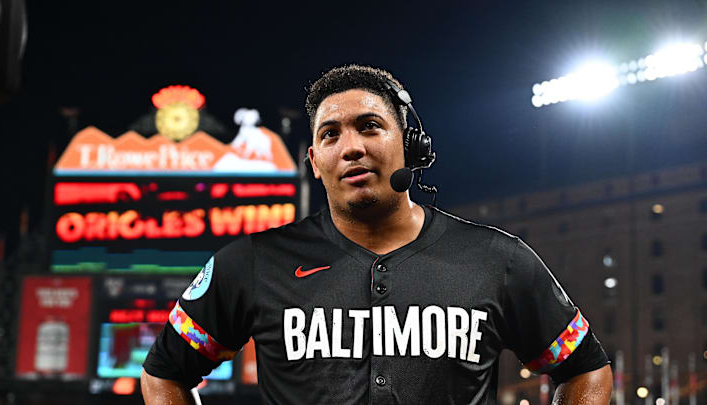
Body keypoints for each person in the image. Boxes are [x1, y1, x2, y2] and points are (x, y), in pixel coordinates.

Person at [141, 64, 613, 405]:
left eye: (370, 127)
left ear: (409, 145)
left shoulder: (497, 258)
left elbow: (586, 369)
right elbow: (164, 373)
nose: (351, 147)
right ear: (313, 162)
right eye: (330, 135)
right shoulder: (252, 262)